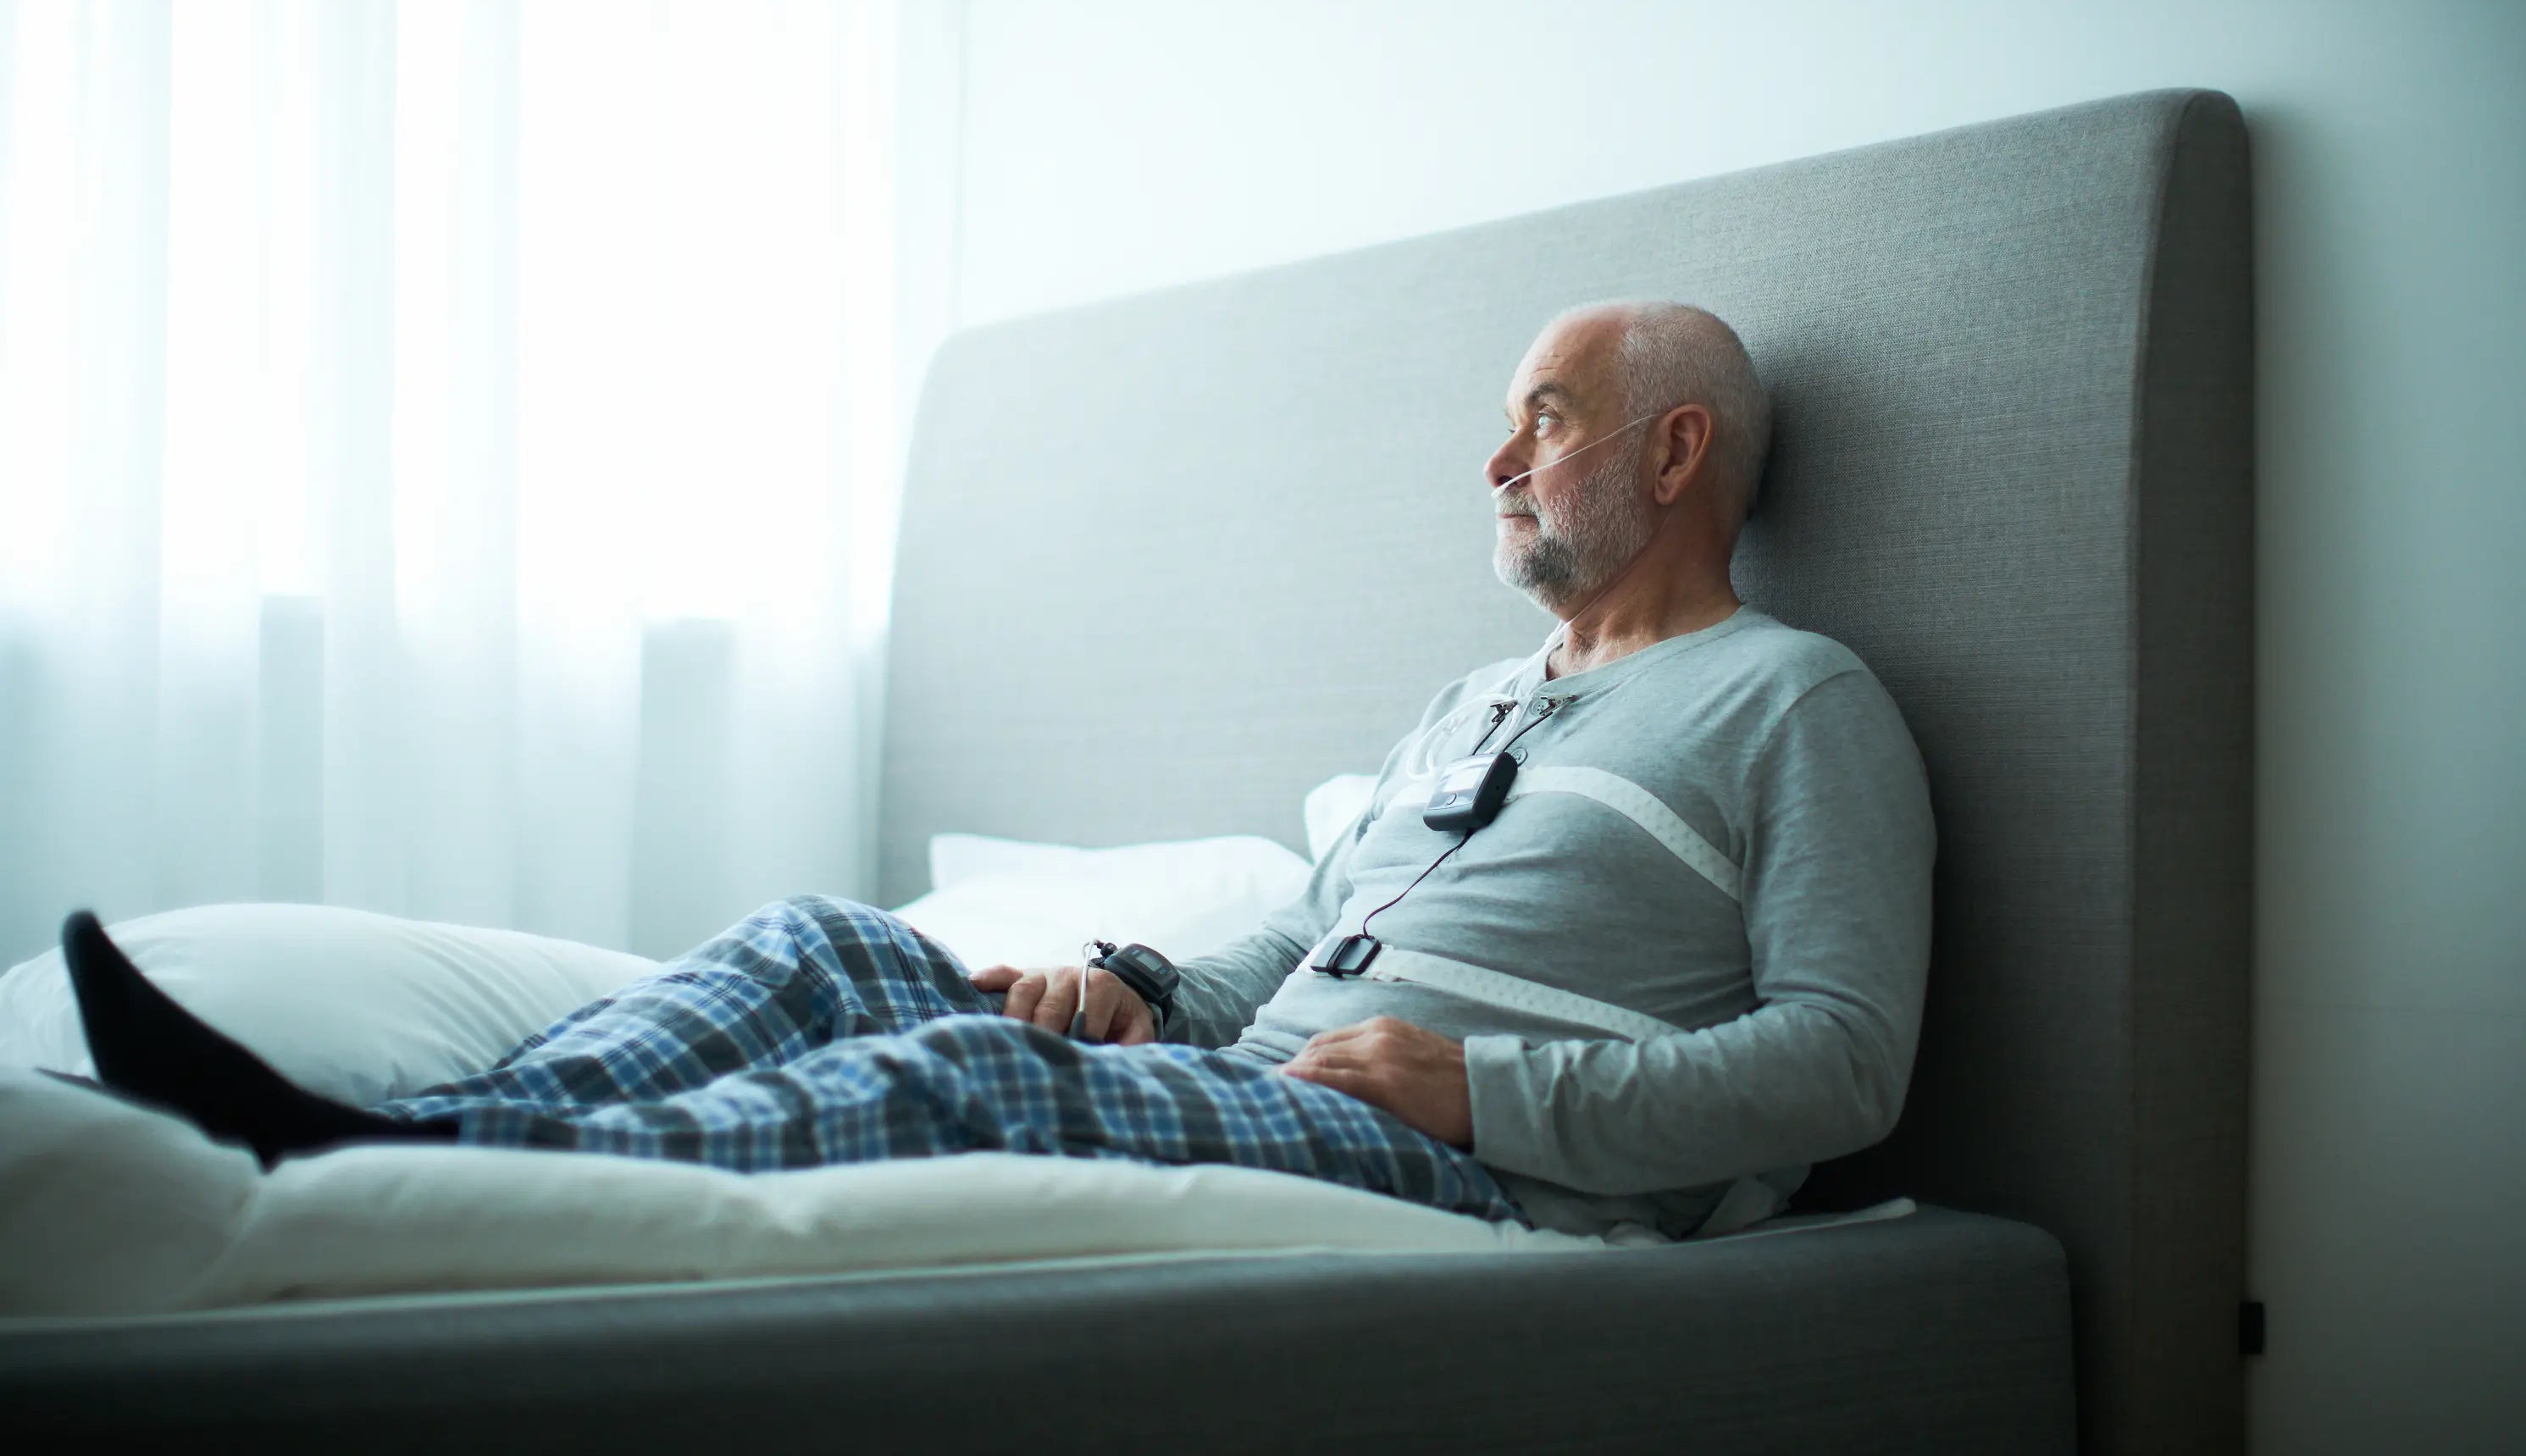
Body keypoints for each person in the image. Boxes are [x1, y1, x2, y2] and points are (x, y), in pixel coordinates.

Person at [62, 299, 1933, 1239]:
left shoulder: (1795, 701)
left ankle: (404, 1175)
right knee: (829, 945)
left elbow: (1846, 1062)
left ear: (1679, 449)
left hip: (1455, 1174)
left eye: (1546, 416)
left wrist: (1489, 1090)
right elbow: (1313, 935)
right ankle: (391, 1123)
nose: (1499, 462)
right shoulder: (1467, 701)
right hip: (1271, 1082)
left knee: (970, 1079)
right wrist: (1139, 982)